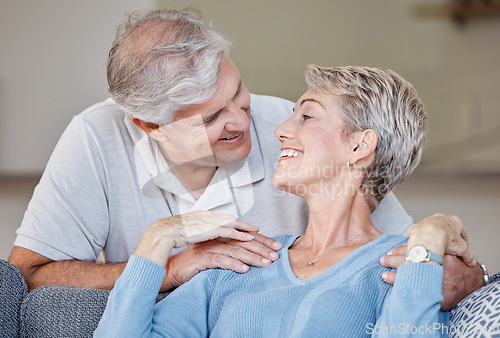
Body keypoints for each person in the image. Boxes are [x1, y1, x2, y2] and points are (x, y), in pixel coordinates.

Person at [9, 9, 484, 306]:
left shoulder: (290, 130)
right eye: (213, 117)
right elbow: (29, 275)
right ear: (150, 126)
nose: (244, 120)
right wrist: (168, 268)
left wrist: (470, 276)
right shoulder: (95, 138)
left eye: (238, 91)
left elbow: (402, 247)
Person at [94, 65, 475, 337]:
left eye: (306, 116)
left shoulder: (404, 267)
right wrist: (157, 239)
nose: (279, 130)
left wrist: (427, 240)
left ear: (360, 145)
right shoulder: (242, 260)